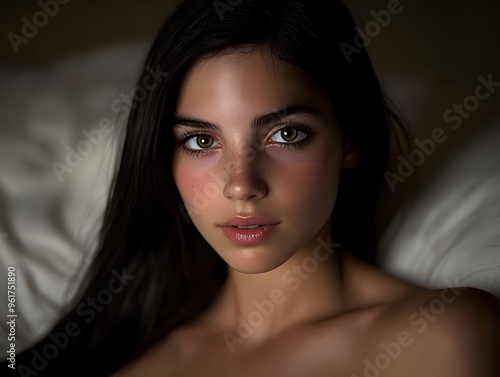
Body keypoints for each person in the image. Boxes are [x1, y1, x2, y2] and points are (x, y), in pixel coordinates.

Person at [6, 0, 500, 376]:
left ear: (352, 139)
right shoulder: (130, 360)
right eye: (202, 140)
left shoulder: (441, 336)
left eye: (286, 134)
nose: (242, 185)